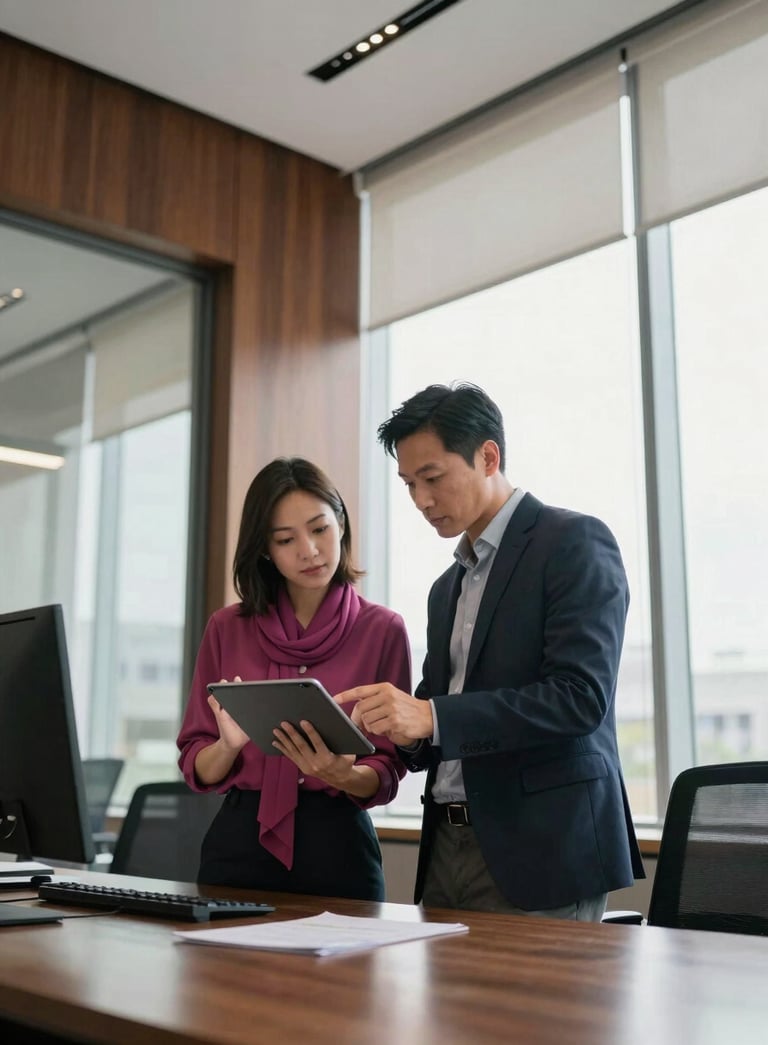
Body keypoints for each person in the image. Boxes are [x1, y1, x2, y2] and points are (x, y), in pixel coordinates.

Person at [337, 383, 644, 919]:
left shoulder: (573, 542)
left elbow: (579, 698)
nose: (421, 501)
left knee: (535, 1007)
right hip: (446, 846)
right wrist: (385, 726)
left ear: (488, 456)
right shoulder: (445, 588)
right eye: (409, 484)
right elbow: (441, 715)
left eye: (432, 478)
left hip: (540, 850)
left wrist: (431, 715)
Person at [177, 457, 410, 901]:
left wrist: (343, 775)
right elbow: (196, 763)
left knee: (344, 971)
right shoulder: (227, 628)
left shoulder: (384, 630)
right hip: (238, 844)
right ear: (264, 549)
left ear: (341, 523)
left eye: (320, 529)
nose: (310, 550)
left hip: (339, 846)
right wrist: (227, 747)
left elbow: (388, 767)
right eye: (286, 539)